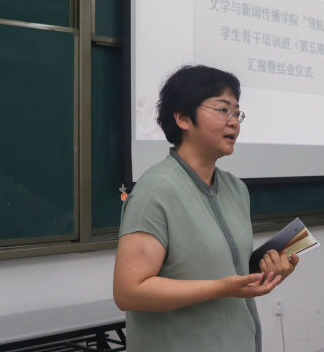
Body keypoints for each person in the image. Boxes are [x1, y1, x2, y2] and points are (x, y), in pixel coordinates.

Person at [113, 65, 299, 352]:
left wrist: (266, 274)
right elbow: (129, 292)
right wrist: (221, 288)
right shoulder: (156, 191)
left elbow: (225, 270)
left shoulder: (236, 188)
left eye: (237, 113)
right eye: (223, 110)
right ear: (183, 118)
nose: (234, 122)